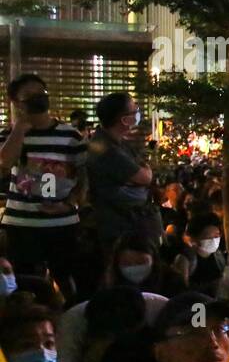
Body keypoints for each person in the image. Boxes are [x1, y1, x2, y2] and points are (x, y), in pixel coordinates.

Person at [0, 74, 88, 298]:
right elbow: (4, 163)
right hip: (21, 223)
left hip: (61, 223)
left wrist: (70, 204)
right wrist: (19, 128)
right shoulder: (11, 135)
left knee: (69, 279)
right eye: (30, 96)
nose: (38, 99)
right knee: (25, 284)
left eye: (41, 94)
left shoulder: (70, 136)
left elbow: (84, 176)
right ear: (17, 102)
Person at [85, 92, 161, 248]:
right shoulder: (108, 150)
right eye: (134, 111)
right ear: (124, 119)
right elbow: (145, 177)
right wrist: (145, 171)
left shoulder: (116, 143)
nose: (137, 114)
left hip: (125, 222)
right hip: (120, 227)